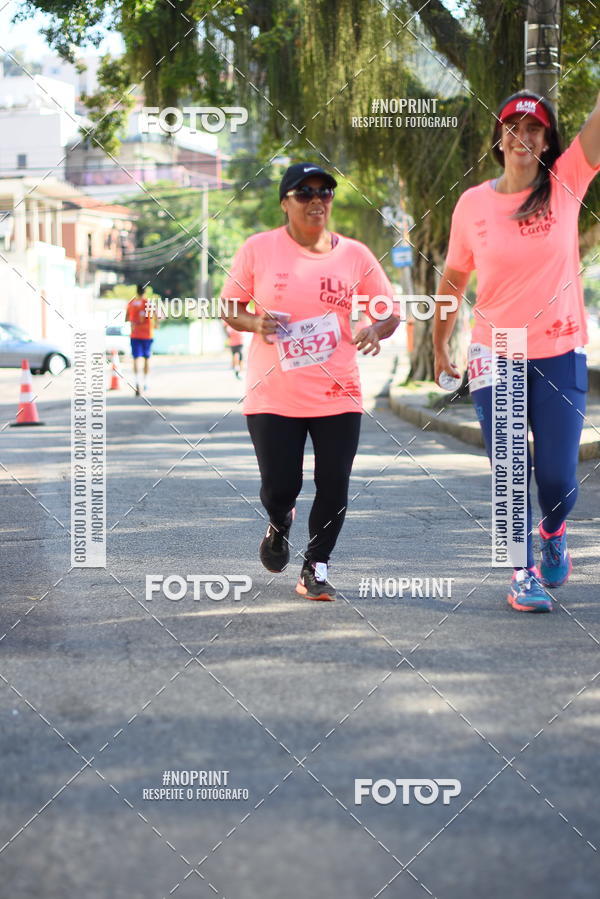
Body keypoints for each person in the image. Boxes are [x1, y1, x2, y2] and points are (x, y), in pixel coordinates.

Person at [434, 90, 600, 613]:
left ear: (547, 141)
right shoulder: (472, 204)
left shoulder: (566, 180)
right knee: (509, 469)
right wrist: (440, 343)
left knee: (558, 479)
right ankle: (520, 573)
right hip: (496, 347)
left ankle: (553, 530)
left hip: (560, 346)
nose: (522, 137)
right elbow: (454, 278)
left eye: (534, 129)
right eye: (512, 127)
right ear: (499, 139)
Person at [221, 162, 400, 600]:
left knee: (334, 483)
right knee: (280, 487)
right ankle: (279, 520)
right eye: (305, 193)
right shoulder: (259, 249)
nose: (316, 200)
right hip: (273, 392)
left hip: (338, 390)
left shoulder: (355, 255)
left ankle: (316, 566)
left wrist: (375, 330)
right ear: (285, 203)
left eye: (325, 192)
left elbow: (389, 311)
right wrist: (254, 322)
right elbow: (229, 306)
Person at [126, 284, 156, 396]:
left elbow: (126, 318)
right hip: (147, 334)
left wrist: (134, 321)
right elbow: (156, 316)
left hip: (135, 335)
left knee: (135, 359)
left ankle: (137, 383)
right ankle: (146, 383)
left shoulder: (131, 303)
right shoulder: (148, 303)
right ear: (145, 291)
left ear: (136, 291)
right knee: (147, 358)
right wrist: (156, 324)